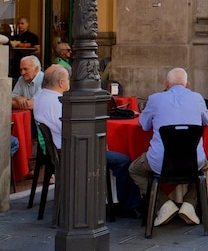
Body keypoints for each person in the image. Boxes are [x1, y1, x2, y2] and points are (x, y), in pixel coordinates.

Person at [33, 65, 142, 218]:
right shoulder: (57, 103)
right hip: (73, 152)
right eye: (68, 80)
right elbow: (73, 130)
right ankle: (129, 205)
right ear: (61, 83)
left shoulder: (40, 98)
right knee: (123, 161)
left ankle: (114, 200)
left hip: (59, 150)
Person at [130, 68, 208, 227]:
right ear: (187, 84)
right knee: (205, 165)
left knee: (134, 169)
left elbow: (143, 125)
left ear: (166, 84)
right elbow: (207, 122)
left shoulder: (155, 99)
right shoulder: (197, 98)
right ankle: (189, 203)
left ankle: (164, 204)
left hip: (161, 162)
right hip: (193, 160)